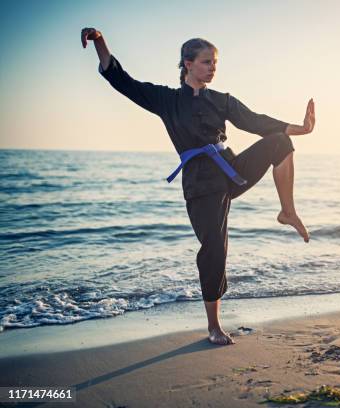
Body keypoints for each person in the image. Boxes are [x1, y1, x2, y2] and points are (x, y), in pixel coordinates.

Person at [81, 28, 315, 345]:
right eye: (206, 62)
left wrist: (301, 128)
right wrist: (99, 42)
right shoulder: (167, 100)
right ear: (187, 64)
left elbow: (256, 121)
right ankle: (214, 326)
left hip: (231, 171)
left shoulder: (222, 100)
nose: (212, 68)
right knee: (215, 250)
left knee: (280, 142)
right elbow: (123, 81)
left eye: (215, 62)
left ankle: (288, 212)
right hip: (201, 184)